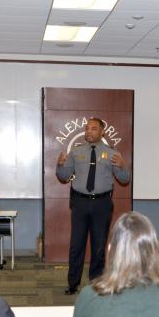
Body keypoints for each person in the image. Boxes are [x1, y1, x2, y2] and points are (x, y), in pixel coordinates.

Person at [55, 117, 131, 294]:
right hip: (80, 202)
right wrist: (59, 167)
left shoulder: (112, 154)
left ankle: (96, 283)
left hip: (102, 204)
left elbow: (124, 179)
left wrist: (123, 166)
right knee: (76, 245)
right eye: (87, 129)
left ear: (102, 132)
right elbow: (63, 176)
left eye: (93, 129)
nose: (89, 132)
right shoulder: (76, 152)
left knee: (98, 246)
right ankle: (72, 283)